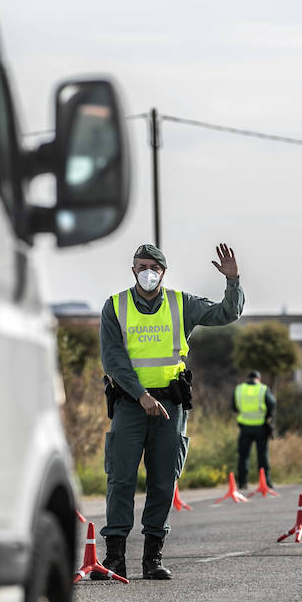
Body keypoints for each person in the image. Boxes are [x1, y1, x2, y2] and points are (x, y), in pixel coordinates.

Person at [99, 243, 244, 580]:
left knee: (163, 480)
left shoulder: (183, 303)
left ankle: (153, 557)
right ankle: (115, 558)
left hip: (171, 406)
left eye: (153, 266)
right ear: (133, 270)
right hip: (130, 405)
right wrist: (141, 396)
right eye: (140, 266)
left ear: (163, 271)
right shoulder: (115, 306)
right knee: (121, 478)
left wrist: (233, 281)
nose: (147, 272)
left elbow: (226, 313)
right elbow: (113, 360)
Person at [232, 370, 277, 490]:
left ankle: (242, 483)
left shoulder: (239, 389)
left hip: (245, 427)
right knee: (263, 456)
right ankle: (266, 482)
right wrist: (268, 415)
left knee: (243, 456)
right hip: (261, 427)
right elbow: (272, 403)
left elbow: (234, 407)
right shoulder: (262, 389)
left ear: (248, 378)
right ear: (258, 378)